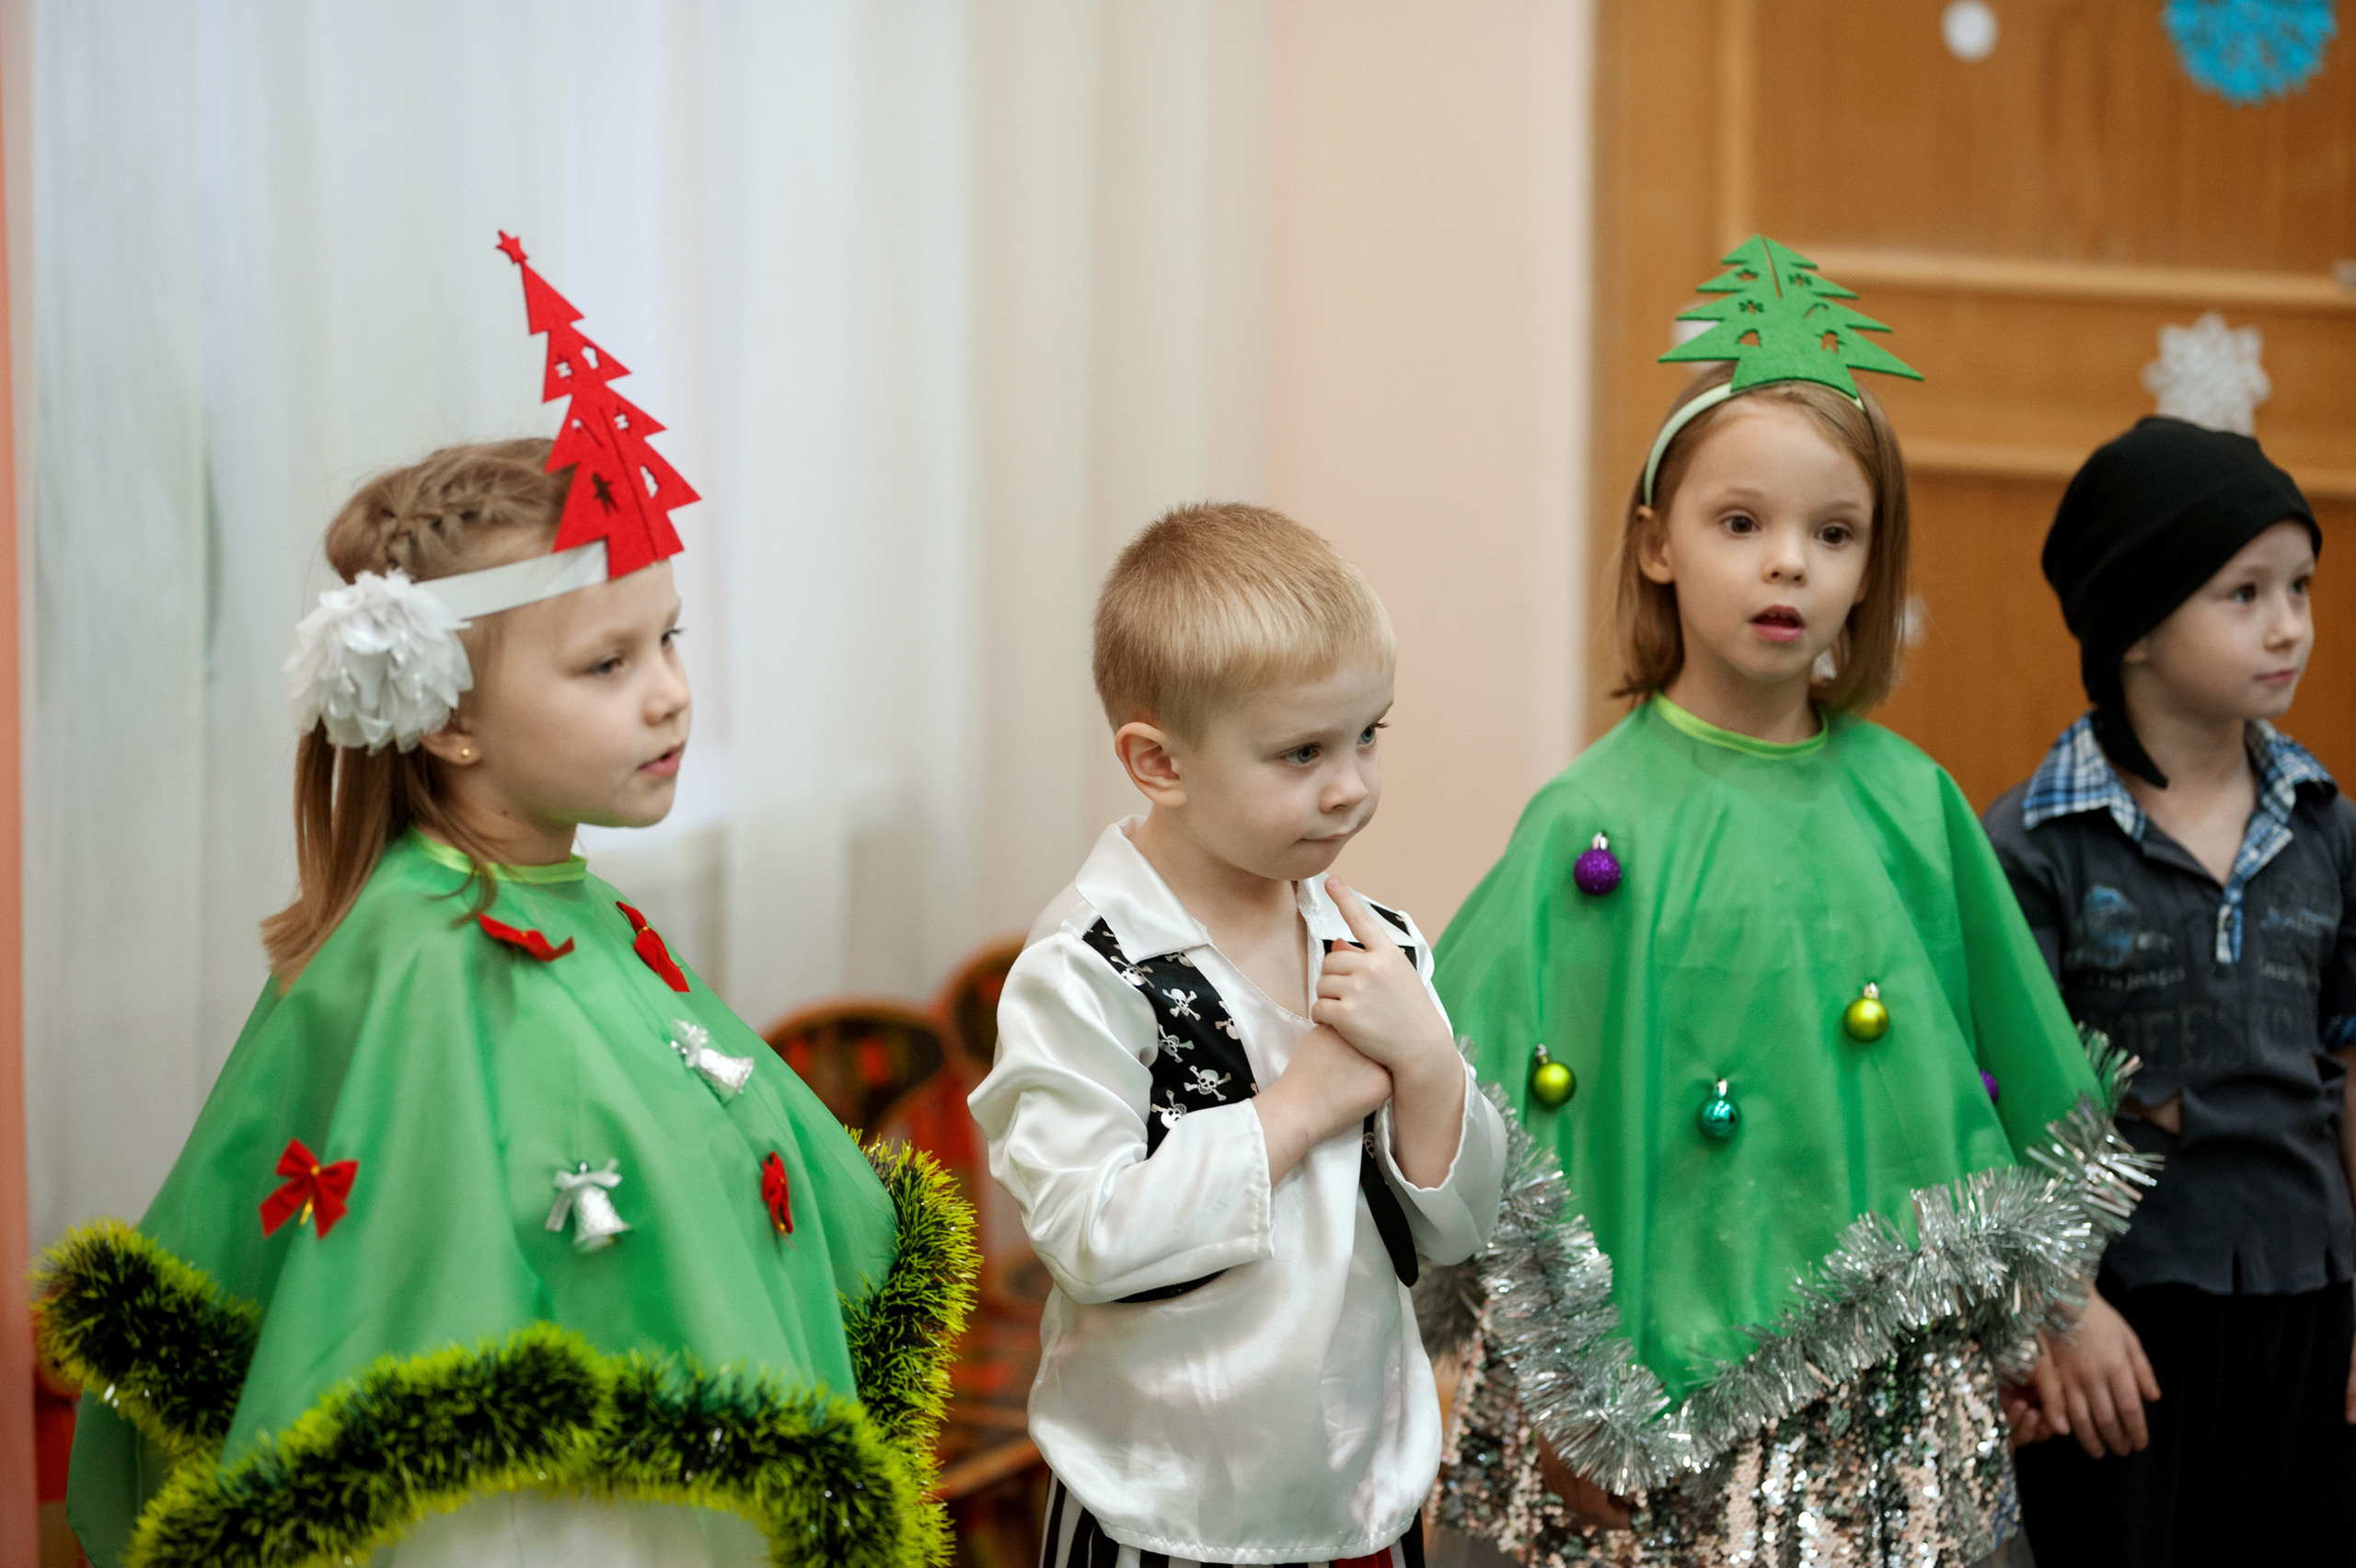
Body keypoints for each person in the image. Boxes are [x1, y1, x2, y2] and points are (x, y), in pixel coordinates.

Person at [36, 239, 972, 1568]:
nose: (669, 693)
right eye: (607, 661)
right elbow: (428, 1322)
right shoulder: (421, 957)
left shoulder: (573, 907)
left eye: (671, 640)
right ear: (451, 723)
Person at [1421, 238, 2149, 1567]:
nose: (1787, 568)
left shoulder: (1910, 803)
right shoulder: (1591, 823)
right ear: (1657, 544)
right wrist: (1559, 1390)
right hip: (1651, 1392)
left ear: (1869, 574)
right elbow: (1493, 1119)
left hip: (1890, 1393)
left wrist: (2060, 1300)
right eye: (1740, 523)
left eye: (1833, 534)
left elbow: (2009, 1071)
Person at [968, 502, 1507, 1568]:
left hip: (1364, 1492)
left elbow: (1457, 1230)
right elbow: (1087, 1232)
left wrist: (1430, 1067)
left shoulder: (1372, 942)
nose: (1350, 784)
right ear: (1159, 763)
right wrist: (1297, 1108)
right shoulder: (1090, 970)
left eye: (1368, 735)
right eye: (1301, 752)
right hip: (1166, 1511)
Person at [1982, 415, 2356, 1565]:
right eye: (2242, 594)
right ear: (2134, 623)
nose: (2288, 624)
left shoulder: (2327, 826)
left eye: (2298, 586)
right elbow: (2000, 1113)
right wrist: (2061, 1309)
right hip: (2122, 1322)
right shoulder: (2035, 847)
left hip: (2307, 1293)